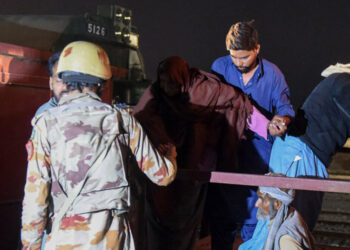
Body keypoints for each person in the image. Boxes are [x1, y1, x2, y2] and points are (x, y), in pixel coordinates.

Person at [21, 41, 177, 249]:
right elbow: (162, 175)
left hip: (64, 238)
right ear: (101, 82)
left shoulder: (45, 124)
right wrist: (171, 157)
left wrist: (30, 245)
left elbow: (35, 197)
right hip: (112, 239)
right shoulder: (123, 120)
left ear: (64, 79)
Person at [133, 56, 274, 250]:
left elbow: (239, 104)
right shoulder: (155, 94)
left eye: (172, 82)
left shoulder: (204, 90)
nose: (167, 87)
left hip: (197, 167)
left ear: (182, 78)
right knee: (161, 217)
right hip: (165, 167)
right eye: (163, 81)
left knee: (194, 217)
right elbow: (140, 119)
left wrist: (269, 129)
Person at [208, 20, 295, 248]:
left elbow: (285, 109)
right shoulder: (219, 66)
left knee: (253, 228)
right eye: (233, 57)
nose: (238, 63)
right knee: (221, 223)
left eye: (244, 57)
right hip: (226, 157)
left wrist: (281, 121)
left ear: (257, 49)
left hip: (259, 161)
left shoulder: (273, 74)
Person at [267, 64, 350, 231]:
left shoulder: (340, 82)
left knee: (284, 229)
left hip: (300, 152)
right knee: (290, 229)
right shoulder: (345, 85)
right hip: (301, 154)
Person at [239, 175, 314, 250]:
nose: (256, 204)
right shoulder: (291, 213)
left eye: (262, 199)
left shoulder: (285, 240)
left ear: (277, 204)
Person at [34, 51, 65, 116]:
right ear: (51, 82)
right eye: (60, 78)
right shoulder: (43, 115)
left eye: (72, 78)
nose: (66, 86)